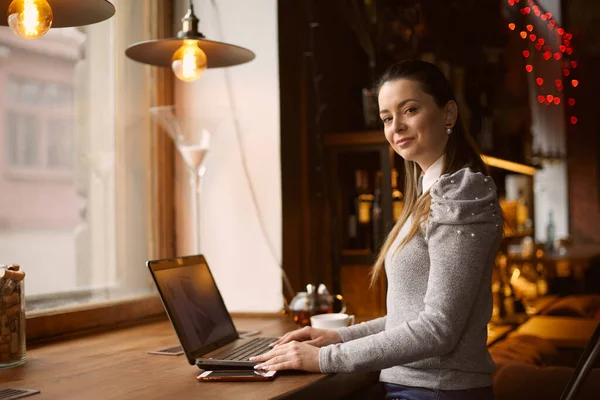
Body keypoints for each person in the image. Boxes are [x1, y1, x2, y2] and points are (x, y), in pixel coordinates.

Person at [250, 59, 503, 400]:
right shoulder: (431, 194)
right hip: (414, 388)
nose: (396, 127)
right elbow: (408, 318)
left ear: (448, 115)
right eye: (387, 118)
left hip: (435, 392)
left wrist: (325, 358)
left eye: (409, 109)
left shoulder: (460, 194)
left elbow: (439, 330)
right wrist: (339, 337)